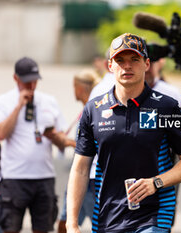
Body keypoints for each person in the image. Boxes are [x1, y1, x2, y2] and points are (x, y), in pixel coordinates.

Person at [66, 33, 181, 233]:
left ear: (146, 64)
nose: (127, 66)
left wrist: (156, 182)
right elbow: (80, 169)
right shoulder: (93, 109)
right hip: (106, 216)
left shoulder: (166, 106)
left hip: (153, 215)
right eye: (120, 60)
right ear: (110, 66)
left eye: (134, 60)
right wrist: (72, 223)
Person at [0, 57, 75, 233]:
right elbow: (0, 133)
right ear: (16, 78)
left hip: (44, 177)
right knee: (10, 227)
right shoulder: (4, 101)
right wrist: (19, 106)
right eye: (26, 81)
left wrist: (54, 136)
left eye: (34, 80)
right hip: (14, 177)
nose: (31, 85)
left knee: (43, 227)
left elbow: (61, 139)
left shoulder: (49, 101)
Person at [57, 69, 100, 233]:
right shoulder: (89, 109)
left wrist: (67, 142)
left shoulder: (93, 109)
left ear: (80, 88)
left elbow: (90, 145)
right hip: (83, 177)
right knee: (65, 222)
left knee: (98, 224)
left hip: (89, 178)